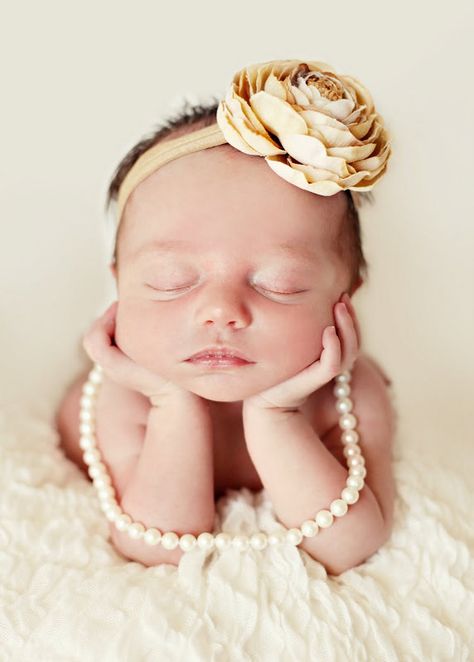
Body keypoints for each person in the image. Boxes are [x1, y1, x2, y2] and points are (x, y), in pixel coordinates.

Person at [54, 59, 397, 575]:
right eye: (171, 280)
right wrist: (172, 404)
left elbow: (350, 545)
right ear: (119, 285)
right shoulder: (115, 398)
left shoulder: (349, 397)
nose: (221, 311)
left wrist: (276, 414)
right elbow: (158, 547)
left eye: (279, 284)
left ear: (346, 297)